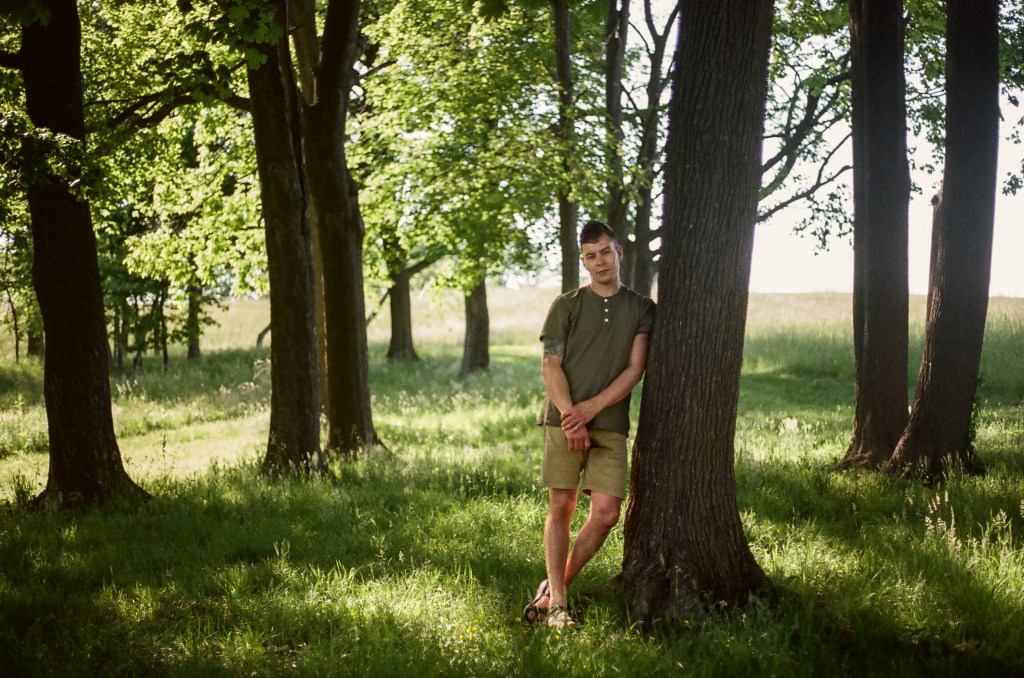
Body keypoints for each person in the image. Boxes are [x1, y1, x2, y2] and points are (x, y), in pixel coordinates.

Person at [522, 220, 655, 629]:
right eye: (590, 256)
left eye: (605, 252)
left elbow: (635, 369)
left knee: (607, 513)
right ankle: (559, 606)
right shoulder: (566, 305)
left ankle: (552, 587)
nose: (600, 262)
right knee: (562, 505)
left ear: (619, 252)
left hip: (610, 423)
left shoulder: (642, 308)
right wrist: (571, 417)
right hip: (562, 421)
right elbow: (551, 365)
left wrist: (591, 409)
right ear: (584, 261)